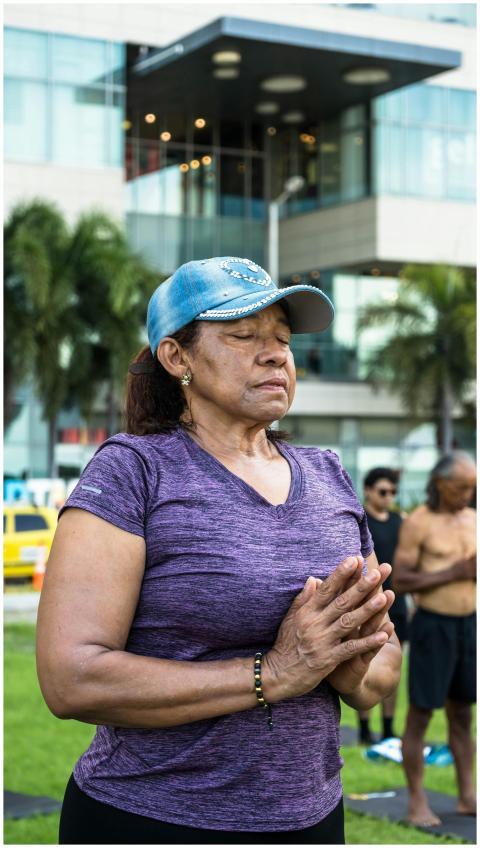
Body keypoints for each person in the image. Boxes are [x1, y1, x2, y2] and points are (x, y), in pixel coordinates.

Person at [36, 256, 401, 845]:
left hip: (311, 820)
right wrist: (273, 673)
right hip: (152, 819)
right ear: (178, 357)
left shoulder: (329, 474)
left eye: (282, 338)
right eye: (243, 336)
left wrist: (353, 670)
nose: (276, 353)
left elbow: (384, 662)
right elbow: (71, 678)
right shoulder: (134, 471)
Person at [393, 452, 476, 827]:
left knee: (462, 713)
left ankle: (467, 796)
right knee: (421, 715)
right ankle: (416, 803)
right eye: (462, 488)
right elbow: (401, 580)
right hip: (432, 626)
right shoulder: (419, 523)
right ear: (441, 484)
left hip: (468, 625)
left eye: (472, 488)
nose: (468, 495)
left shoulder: (473, 519)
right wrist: (456, 571)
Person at [357, 467, 407, 745]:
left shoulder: (400, 521)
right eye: (383, 491)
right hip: (368, 604)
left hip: (396, 603)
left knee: (393, 666)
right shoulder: (360, 520)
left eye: (393, 492)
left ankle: (388, 729)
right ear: (368, 490)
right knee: (364, 667)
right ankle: (364, 729)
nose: (388, 497)